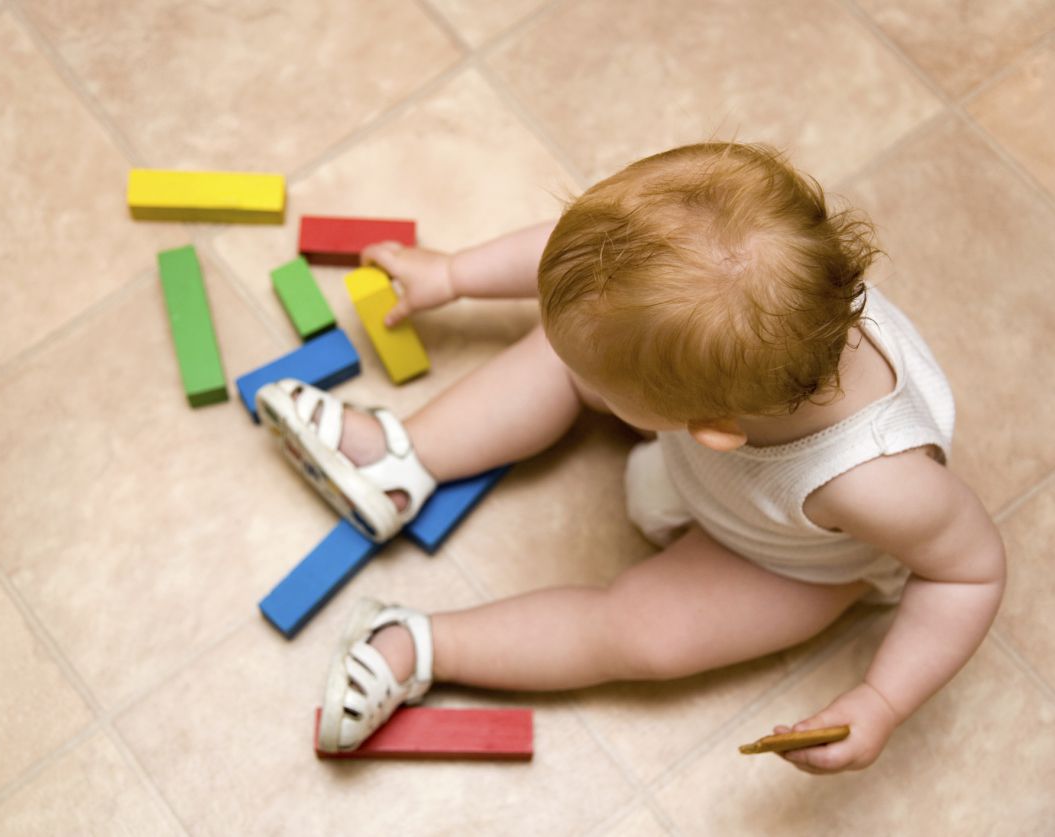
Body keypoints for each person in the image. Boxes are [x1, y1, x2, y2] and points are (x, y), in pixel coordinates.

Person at [254, 143, 1005, 774]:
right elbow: (578, 260)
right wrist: (455, 274)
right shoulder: (719, 286)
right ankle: (401, 458)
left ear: (703, 426)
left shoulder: (878, 483)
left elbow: (967, 571)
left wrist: (880, 699)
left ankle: (421, 644)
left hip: (784, 556)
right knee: (590, 335)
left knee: (643, 632)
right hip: (724, 461)